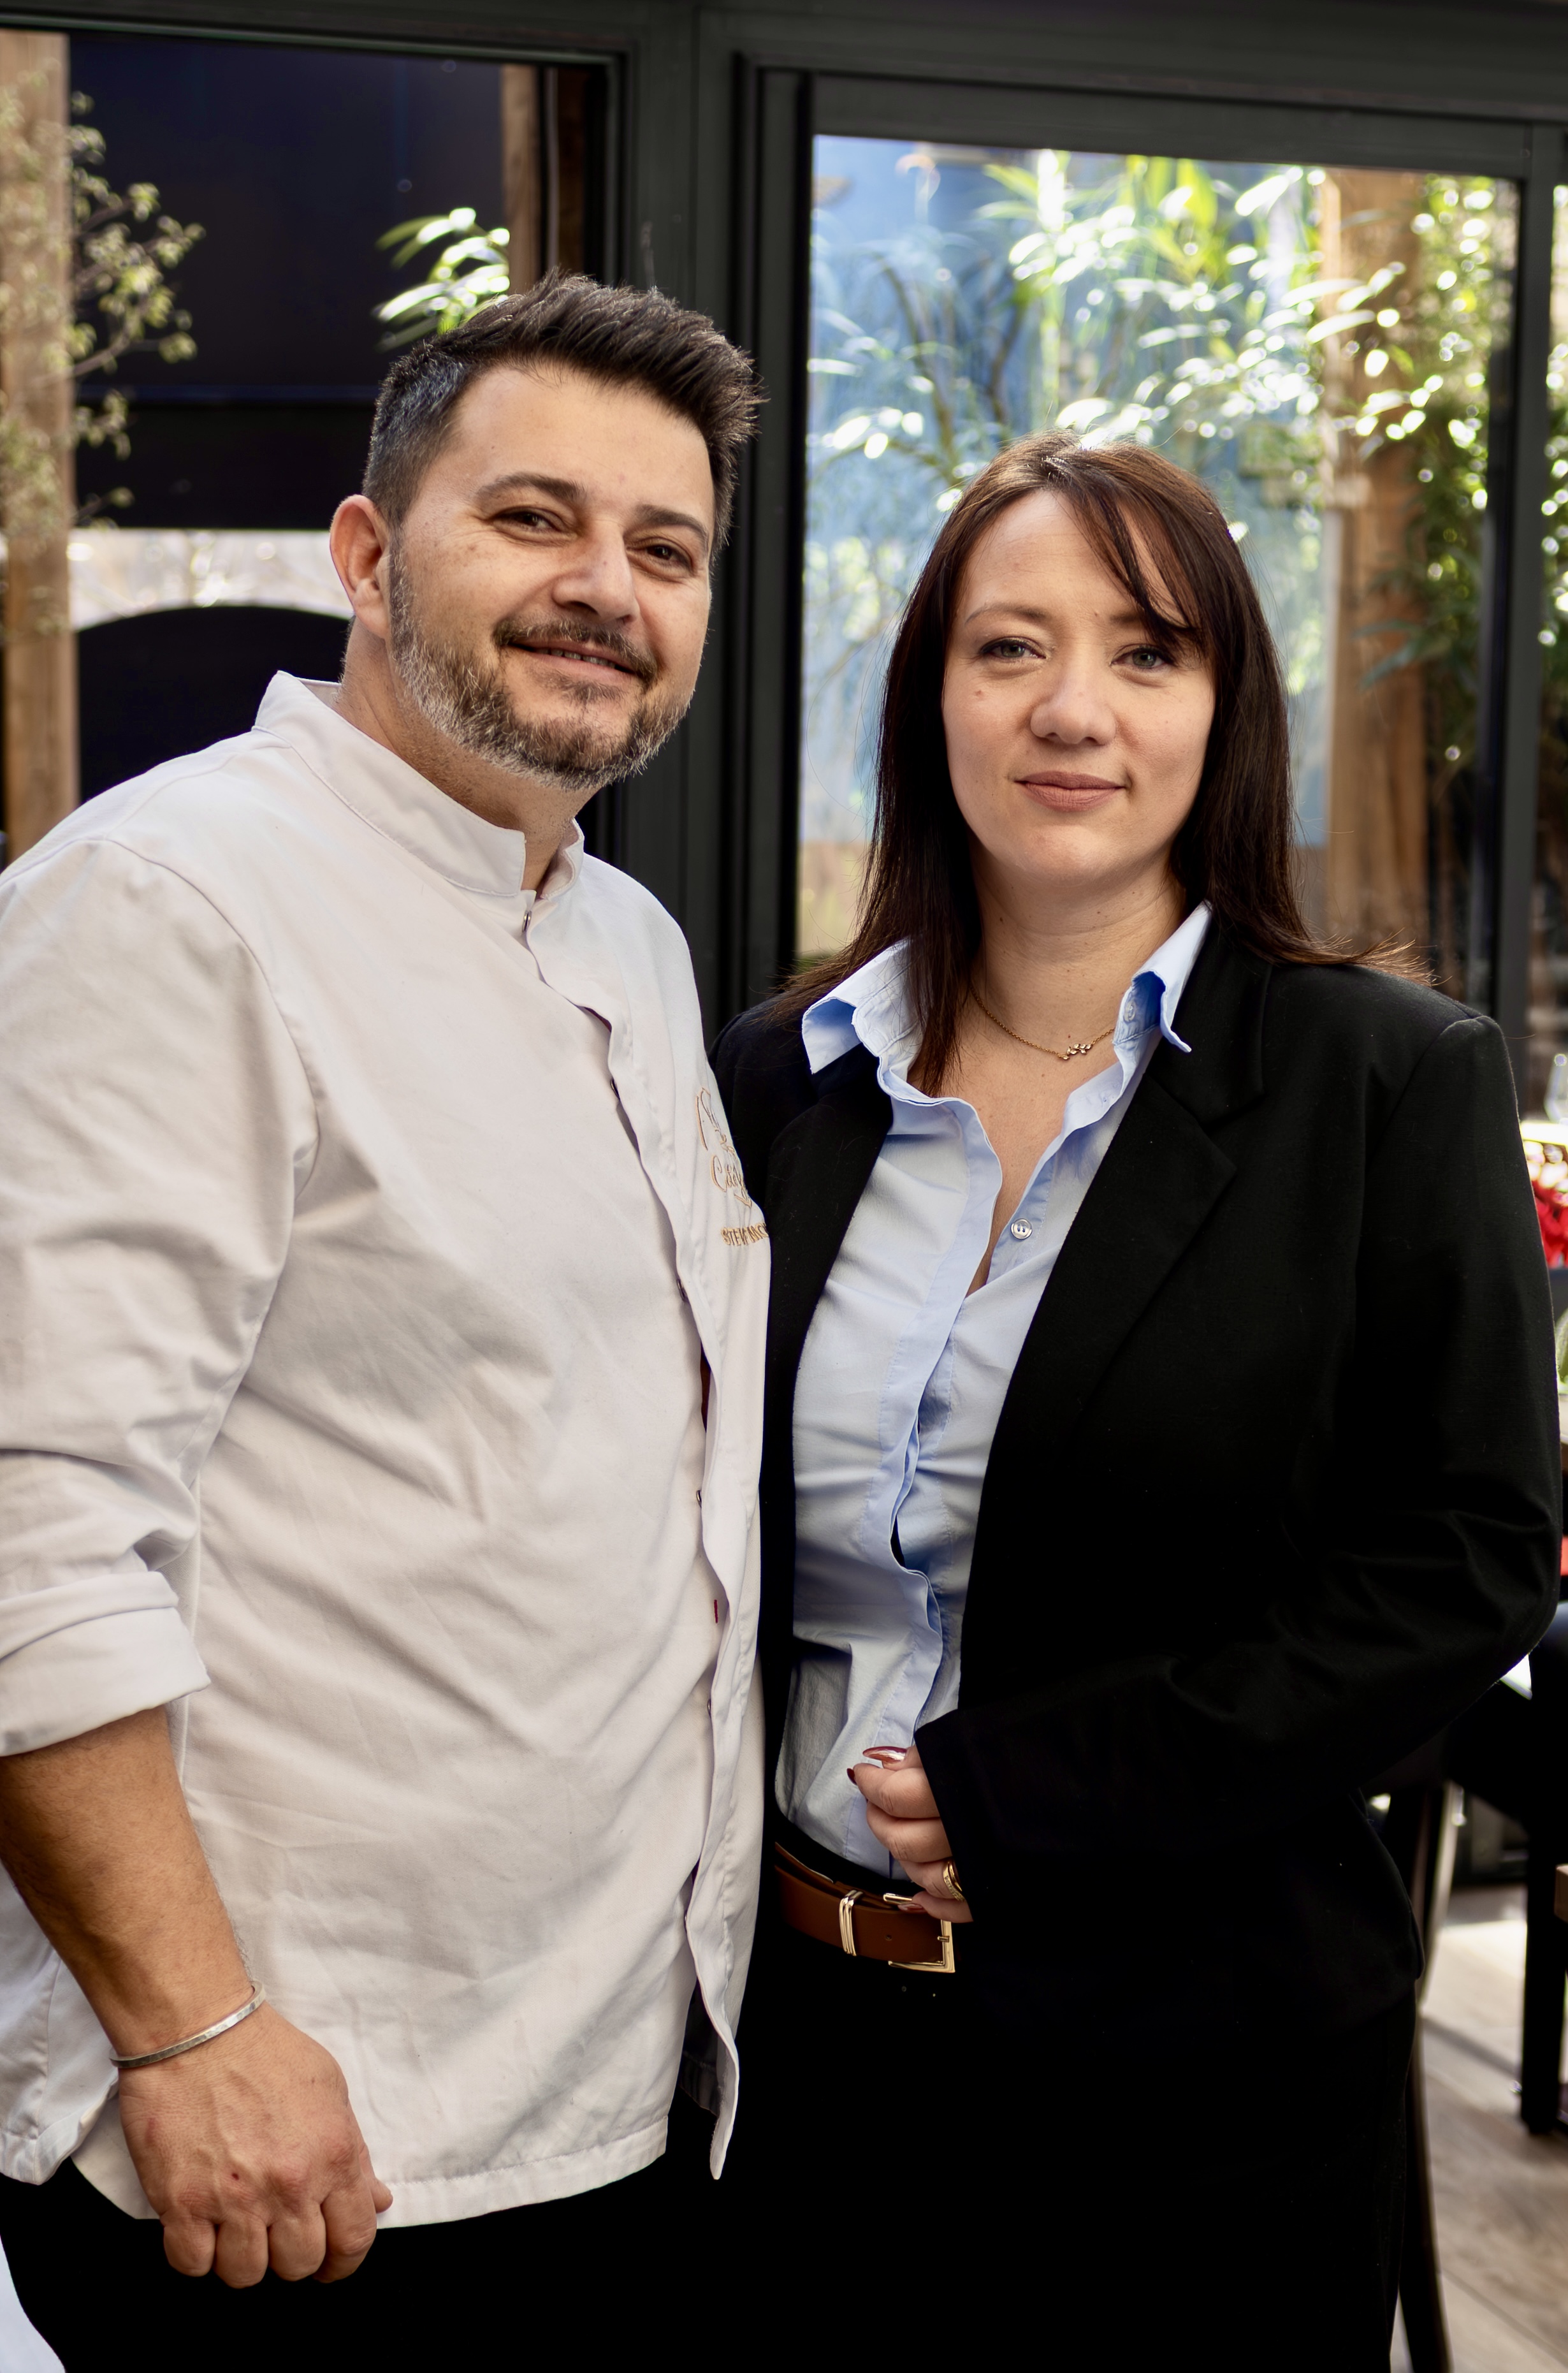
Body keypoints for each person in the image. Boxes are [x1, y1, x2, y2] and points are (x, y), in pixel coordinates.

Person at [711, 433, 1560, 2365]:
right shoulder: (786, 1077)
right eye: (1008, 646)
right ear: (932, 698)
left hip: (1198, 2080)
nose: (1071, 709)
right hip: (794, 2055)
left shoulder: (1385, 1082)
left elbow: (1469, 1559)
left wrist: (1043, 1792)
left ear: (1224, 708)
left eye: (1146, 651)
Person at [0, 273, 768, 2363]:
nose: (605, 587)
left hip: (604, 2091)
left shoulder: (624, 937)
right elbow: (30, 1520)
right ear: (366, 553)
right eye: (532, 518)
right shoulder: (174, 901)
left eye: (666, 546)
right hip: (300, 2136)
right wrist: (192, 2028)